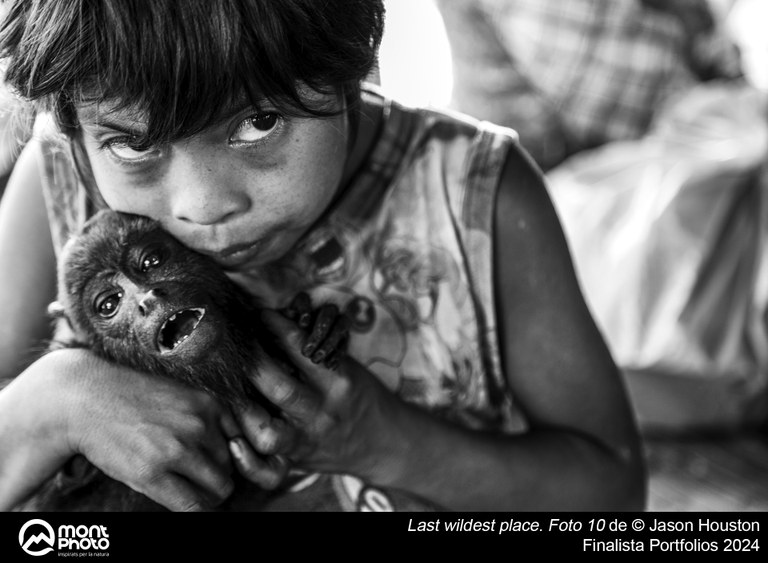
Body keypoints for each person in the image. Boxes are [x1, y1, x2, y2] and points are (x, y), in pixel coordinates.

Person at [0, 0, 646, 512]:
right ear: (75, 130)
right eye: (134, 147)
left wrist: (382, 439)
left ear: (353, 69)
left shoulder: (475, 192)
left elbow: (612, 492)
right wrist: (52, 404)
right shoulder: (56, 176)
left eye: (257, 123)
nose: (203, 205)